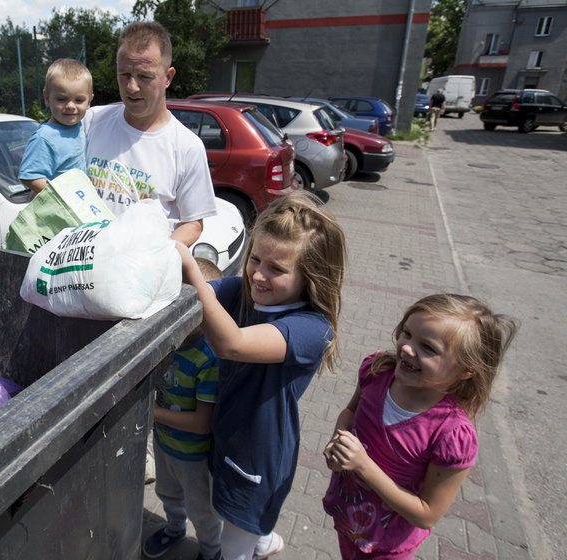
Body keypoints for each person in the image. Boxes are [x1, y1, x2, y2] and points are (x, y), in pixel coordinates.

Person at [176, 190, 347, 560]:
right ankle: (266, 540)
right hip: (226, 436)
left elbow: (232, 344)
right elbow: (197, 294)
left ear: (312, 276)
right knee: (235, 516)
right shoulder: (244, 293)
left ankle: (258, 541)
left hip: (258, 457)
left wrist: (191, 265)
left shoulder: (311, 328)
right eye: (255, 259)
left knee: (234, 542)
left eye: (277, 268)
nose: (258, 274)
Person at [322, 294, 518, 560]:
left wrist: (363, 465)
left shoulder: (451, 434)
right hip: (348, 517)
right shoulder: (377, 371)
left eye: (428, 347)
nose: (406, 348)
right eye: (407, 333)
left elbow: (427, 514)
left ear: (466, 370)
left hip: (387, 544)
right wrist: (338, 444)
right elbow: (350, 413)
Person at [83, 21, 217, 246]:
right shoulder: (92, 121)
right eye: (124, 74)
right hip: (83, 271)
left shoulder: (186, 146)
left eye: (144, 76)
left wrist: (154, 258)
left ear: (168, 77)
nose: (132, 87)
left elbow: (193, 223)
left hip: (140, 277)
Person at [144, 258, 224, 560]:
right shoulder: (169, 341)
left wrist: (150, 413)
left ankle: (210, 550)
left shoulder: (209, 359)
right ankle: (175, 528)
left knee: (202, 512)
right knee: (168, 494)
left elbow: (202, 424)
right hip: (165, 443)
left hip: (194, 456)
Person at [19, 58, 94, 194]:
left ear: (89, 101)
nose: (71, 106)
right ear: (47, 97)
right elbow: (30, 176)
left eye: (79, 100)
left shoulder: (78, 125)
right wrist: (63, 196)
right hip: (59, 209)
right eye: (61, 99)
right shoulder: (44, 137)